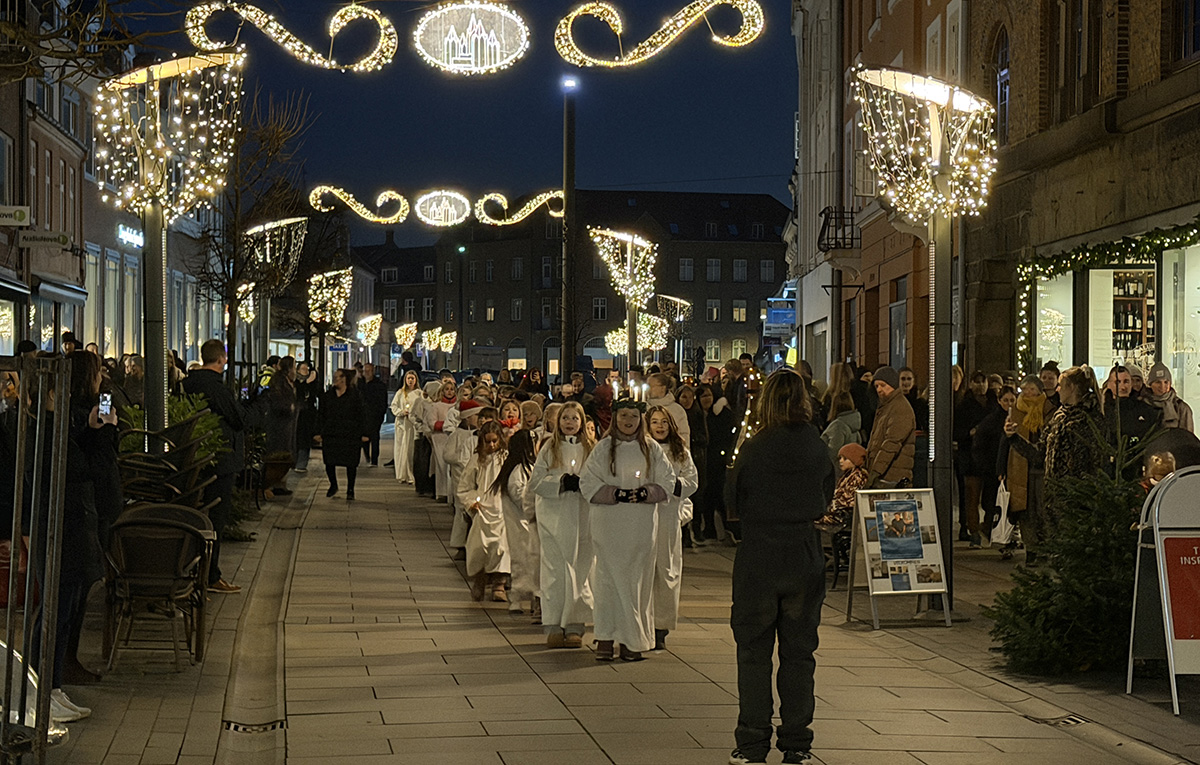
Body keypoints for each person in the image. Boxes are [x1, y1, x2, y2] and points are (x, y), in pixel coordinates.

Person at [724, 370, 833, 765]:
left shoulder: (754, 446)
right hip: (803, 552)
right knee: (799, 653)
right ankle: (797, 742)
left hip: (759, 553)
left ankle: (752, 742)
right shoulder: (816, 446)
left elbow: (731, 497)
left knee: (753, 651)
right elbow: (826, 493)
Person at [580, 399, 673, 662]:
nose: (629, 421)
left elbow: (667, 480)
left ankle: (632, 639)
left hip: (640, 526)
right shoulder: (603, 448)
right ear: (615, 418)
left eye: (633, 415)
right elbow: (588, 482)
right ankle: (606, 637)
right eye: (624, 416)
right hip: (609, 524)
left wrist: (645, 492)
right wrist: (615, 493)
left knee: (636, 582)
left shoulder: (652, 449)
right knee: (607, 580)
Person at [1006, 365, 1107, 535]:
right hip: (1055, 500)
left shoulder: (1090, 419)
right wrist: (1013, 437)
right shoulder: (1059, 417)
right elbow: (1040, 453)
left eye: (1061, 385)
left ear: (1072, 388)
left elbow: (1096, 464)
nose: (1057, 389)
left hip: (1078, 502)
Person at [530, 401, 595, 649]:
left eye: (574, 418)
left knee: (579, 570)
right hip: (554, 516)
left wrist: (583, 484)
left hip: (581, 516)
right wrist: (560, 482)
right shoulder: (549, 448)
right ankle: (554, 623)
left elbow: (599, 478)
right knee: (555, 571)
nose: (570, 422)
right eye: (565, 418)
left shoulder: (592, 449)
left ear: (582, 422)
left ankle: (575, 624)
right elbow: (536, 481)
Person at [181, 340, 244, 594]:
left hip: (192, 458)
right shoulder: (217, 388)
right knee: (215, 518)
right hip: (219, 458)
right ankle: (210, 575)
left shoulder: (186, 384)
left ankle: (192, 570)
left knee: (193, 515)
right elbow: (237, 418)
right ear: (221, 359)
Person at [647, 405, 698, 651]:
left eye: (663, 422)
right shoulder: (643, 450)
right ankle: (644, 623)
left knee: (666, 572)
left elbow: (691, 481)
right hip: (644, 517)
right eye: (654, 422)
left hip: (667, 517)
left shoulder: (680, 453)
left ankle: (661, 626)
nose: (659, 426)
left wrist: (672, 487)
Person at [996, 376, 1053, 564]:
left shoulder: (1049, 410)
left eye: (1032, 389)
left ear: (1039, 390)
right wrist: (1001, 468)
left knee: (1043, 509)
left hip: (1043, 468)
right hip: (1020, 467)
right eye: (1025, 389)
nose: (1028, 393)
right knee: (1025, 510)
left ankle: (1045, 547)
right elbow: (1006, 439)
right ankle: (1031, 549)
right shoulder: (1017, 411)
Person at [460, 421, 510, 602]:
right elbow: (464, 487)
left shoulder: (506, 458)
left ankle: (499, 584)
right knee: (479, 547)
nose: (491, 446)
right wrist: (472, 502)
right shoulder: (476, 460)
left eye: (495, 441)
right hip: (483, 510)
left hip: (502, 509)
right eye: (487, 442)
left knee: (502, 547)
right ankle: (479, 582)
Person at [495, 429, 539, 615]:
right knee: (522, 562)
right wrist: (534, 505)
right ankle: (517, 598)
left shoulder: (526, 467)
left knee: (530, 562)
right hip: (520, 523)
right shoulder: (518, 470)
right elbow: (519, 496)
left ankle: (531, 599)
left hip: (525, 523)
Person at [954, 371, 995, 545]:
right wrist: (970, 433)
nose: (980, 385)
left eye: (982, 381)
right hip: (970, 458)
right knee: (971, 496)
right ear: (970, 384)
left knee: (990, 497)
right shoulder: (964, 405)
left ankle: (988, 527)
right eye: (976, 382)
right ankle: (973, 530)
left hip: (990, 458)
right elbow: (957, 431)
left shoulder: (993, 403)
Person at [972, 385, 1014, 545]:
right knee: (992, 503)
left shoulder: (1017, 418)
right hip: (992, 469)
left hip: (1009, 469)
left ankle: (1005, 537)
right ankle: (991, 531)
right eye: (1005, 400)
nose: (1009, 404)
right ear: (999, 401)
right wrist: (986, 466)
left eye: (1011, 400)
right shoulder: (991, 421)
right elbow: (980, 445)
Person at [320, 369, 370, 500]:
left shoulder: (355, 395)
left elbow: (361, 415)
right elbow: (321, 415)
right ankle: (333, 484)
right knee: (329, 461)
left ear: (345, 379)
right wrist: (318, 432)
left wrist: (364, 433)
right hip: (331, 433)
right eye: (335, 377)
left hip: (350, 433)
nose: (336, 379)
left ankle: (350, 489)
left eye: (339, 377)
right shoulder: (328, 396)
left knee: (351, 462)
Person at [865, 366, 916, 490]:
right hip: (886, 477)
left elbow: (891, 444)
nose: (879, 389)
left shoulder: (900, 408)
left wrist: (874, 473)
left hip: (892, 478)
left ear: (892, 384)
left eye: (883, 385)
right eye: (876, 386)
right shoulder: (886, 407)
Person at [699, 383, 737, 545]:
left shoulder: (722, 414)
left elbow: (727, 436)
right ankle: (709, 528)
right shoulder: (698, 415)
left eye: (708, 395)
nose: (706, 399)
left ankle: (727, 528)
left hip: (717, 459)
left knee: (717, 493)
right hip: (703, 459)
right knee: (706, 494)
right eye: (702, 396)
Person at [262, 356, 298, 498]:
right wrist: (289, 407)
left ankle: (280, 483)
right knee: (280, 453)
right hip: (279, 425)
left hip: (287, 424)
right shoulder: (278, 381)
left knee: (286, 453)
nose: (295, 371)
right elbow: (276, 401)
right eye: (294, 367)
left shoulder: (289, 382)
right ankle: (273, 484)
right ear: (288, 369)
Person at [1104, 365, 1160, 455]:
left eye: (1126, 382)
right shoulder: (1102, 411)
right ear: (1109, 385)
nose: (1123, 387)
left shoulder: (1145, 410)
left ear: (1131, 384)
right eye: (1118, 382)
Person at [424, 377, 459, 500]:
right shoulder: (436, 406)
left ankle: (451, 492)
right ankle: (442, 492)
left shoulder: (457, 406)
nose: (449, 392)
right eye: (447, 389)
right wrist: (445, 424)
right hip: (440, 438)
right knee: (441, 465)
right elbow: (431, 422)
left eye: (452, 389)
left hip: (454, 438)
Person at [818, 443, 869, 528]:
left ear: (854, 460)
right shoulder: (848, 475)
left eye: (845, 459)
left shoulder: (857, 477)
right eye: (840, 458)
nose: (841, 461)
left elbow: (846, 501)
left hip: (842, 516)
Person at [390, 371, 422, 483]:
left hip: (412, 425)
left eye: (412, 378)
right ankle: (401, 473)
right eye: (408, 378)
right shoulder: (400, 393)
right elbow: (393, 406)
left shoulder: (419, 393)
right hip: (402, 424)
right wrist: (401, 412)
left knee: (410, 449)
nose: (410, 380)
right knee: (401, 448)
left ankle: (411, 473)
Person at [819, 392, 861, 474]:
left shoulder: (838, 426)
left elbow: (832, 453)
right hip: (849, 471)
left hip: (835, 473)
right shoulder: (854, 424)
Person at [1146, 363, 1194, 432]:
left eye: (1166, 382)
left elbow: (1188, 438)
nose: (1162, 386)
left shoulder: (1181, 408)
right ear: (1150, 384)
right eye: (1158, 382)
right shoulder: (1143, 404)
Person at [357, 363, 388, 467]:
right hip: (362, 415)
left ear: (373, 371)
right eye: (365, 371)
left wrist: (381, 414)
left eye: (369, 371)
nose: (367, 373)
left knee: (374, 438)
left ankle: (374, 460)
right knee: (364, 437)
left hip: (374, 415)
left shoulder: (379, 385)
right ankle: (367, 457)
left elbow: (382, 401)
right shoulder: (359, 384)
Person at [647, 372, 690, 444]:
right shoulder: (645, 407)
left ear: (662, 388)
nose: (648, 389)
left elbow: (684, 434)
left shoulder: (677, 409)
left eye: (651, 386)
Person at [294, 361, 320, 473]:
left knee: (305, 438)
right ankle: (296, 462)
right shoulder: (295, 381)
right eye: (303, 369)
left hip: (308, 414)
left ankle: (301, 463)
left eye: (307, 369)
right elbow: (298, 391)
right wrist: (307, 382)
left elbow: (316, 394)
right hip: (296, 414)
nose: (305, 371)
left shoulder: (313, 383)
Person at [898, 366, 929, 434]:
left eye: (909, 379)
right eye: (903, 379)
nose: (906, 382)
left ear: (913, 381)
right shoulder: (894, 401)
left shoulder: (920, 404)